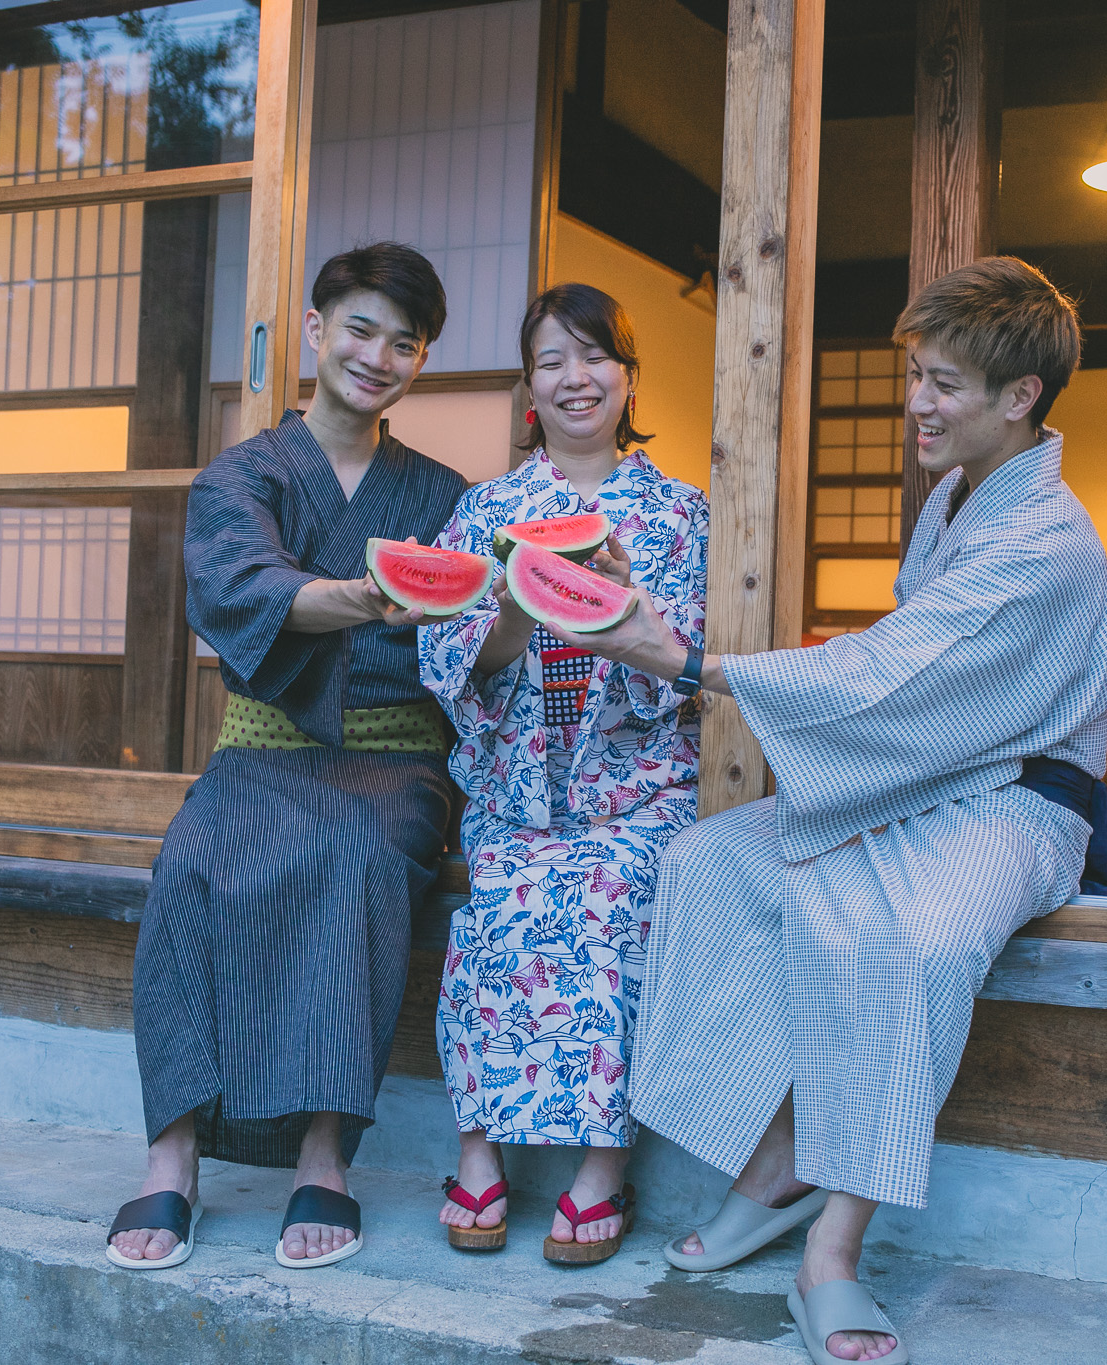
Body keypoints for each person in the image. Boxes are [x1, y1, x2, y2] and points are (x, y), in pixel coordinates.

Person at [560, 257, 1107, 1364]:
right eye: (914, 374)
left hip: (1018, 805)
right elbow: (905, 685)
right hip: (923, 784)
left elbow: (892, 676)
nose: (916, 402)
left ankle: (831, 1245)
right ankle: (776, 1156)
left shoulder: (1042, 538)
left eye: (945, 383)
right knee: (714, 863)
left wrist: (681, 660)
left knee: (904, 936)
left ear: (1020, 398)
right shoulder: (959, 495)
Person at [105, 244, 466, 1273]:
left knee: (357, 869)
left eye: (404, 342)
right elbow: (244, 585)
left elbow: (479, 612)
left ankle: (325, 1157)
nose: (377, 355)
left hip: (395, 761)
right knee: (187, 868)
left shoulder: (442, 492)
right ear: (315, 332)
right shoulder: (240, 475)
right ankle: (170, 1156)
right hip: (260, 752)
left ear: (419, 362)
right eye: (359, 329)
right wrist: (360, 596)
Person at [419, 283, 707, 1263]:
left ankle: (600, 1171)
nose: (574, 377)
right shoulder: (485, 510)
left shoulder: (680, 515)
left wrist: (621, 608)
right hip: (514, 795)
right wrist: (511, 608)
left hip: (634, 797)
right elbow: (452, 662)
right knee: (489, 901)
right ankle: (480, 1153)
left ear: (628, 379)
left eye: (595, 357)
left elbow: (694, 667)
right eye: (551, 361)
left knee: (608, 894)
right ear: (528, 389)